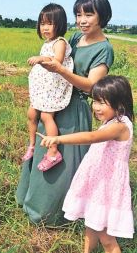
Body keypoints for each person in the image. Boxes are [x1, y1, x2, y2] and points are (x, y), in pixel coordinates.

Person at [16, 0, 114, 225]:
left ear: (103, 17)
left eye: (89, 14)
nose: (82, 20)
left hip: (73, 108)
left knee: (64, 165)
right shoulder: (76, 38)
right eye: (78, 14)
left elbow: (91, 86)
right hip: (53, 101)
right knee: (43, 150)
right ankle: (32, 203)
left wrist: (59, 71)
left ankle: (55, 215)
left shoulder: (104, 49)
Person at [38, 75, 134, 253]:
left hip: (106, 186)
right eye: (95, 101)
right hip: (98, 182)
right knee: (90, 225)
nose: (96, 107)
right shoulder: (111, 121)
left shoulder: (120, 126)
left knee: (106, 239)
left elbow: (91, 137)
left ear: (119, 103)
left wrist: (57, 138)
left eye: (102, 102)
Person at [23, 3, 74, 172]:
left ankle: (53, 151)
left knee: (46, 116)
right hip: (43, 88)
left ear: (59, 24)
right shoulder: (47, 42)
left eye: (49, 23)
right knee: (31, 113)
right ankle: (31, 144)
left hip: (53, 88)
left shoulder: (60, 42)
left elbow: (57, 61)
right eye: (42, 23)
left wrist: (41, 58)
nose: (45, 28)